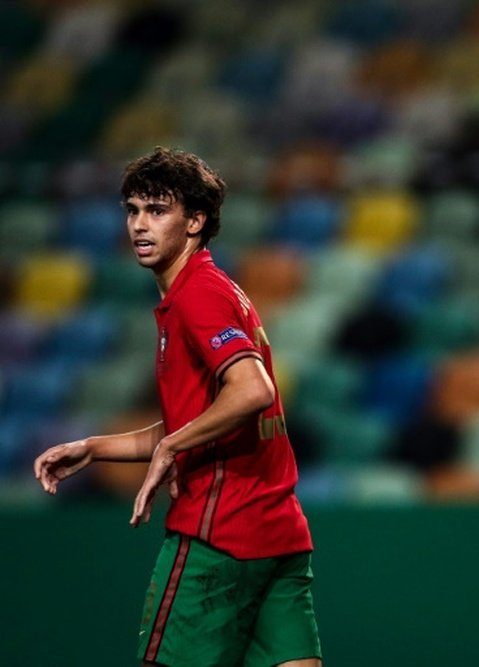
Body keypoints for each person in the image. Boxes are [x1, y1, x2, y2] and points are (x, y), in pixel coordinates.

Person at [33, 147, 322, 667]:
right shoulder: (213, 288)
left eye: (158, 210)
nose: (140, 225)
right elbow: (207, 420)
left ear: (195, 220)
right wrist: (96, 448)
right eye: (133, 210)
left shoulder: (198, 296)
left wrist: (171, 444)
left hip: (218, 535)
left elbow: (251, 390)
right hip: (276, 535)